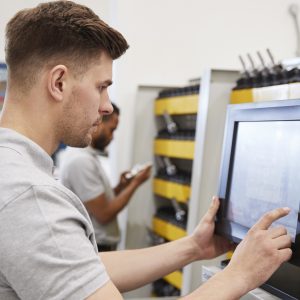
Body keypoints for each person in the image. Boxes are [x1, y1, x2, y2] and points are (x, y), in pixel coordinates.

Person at [0, 1, 292, 299]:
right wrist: (240, 274)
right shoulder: (30, 197)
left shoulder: (11, 170)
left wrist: (192, 247)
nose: (107, 105)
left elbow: (82, 271)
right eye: (101, 86)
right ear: (59, 82)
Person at [59, 102, 151, 251]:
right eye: (112, 130)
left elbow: (99, 202)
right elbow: (104, 214)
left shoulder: (88, 157)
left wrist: (121, 187)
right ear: (98, 124)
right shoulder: (81, 161)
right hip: (94, 247)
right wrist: (136, 183)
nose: (112, 137)